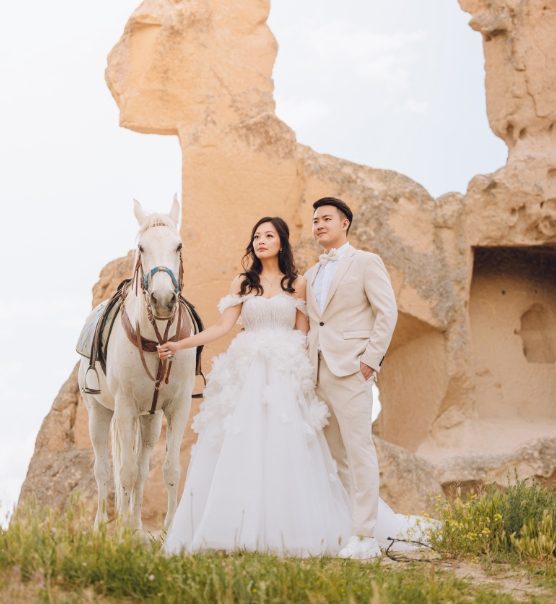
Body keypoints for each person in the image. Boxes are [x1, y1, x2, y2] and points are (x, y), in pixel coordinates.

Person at [157, 215, 407, 557]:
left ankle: (302, 532)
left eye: (268, 235)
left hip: (286, 374)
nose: (261, 241)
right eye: (256, 235)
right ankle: (229, 530)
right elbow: (221, 327)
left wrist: (313, 375)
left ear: (281, 242)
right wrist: (181, 344)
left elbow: (305, 332)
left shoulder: (298, 284)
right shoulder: (242, 283)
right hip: (247, 373)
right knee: (240, 446)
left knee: (288, 448)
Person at [304, 197, 397, 559]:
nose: (319, 225)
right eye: (314, 221)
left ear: (345, 223)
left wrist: (370, 361)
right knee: (332, 456)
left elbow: (386, 312)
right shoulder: (311, 274)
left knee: (359, 451)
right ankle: (347, 527)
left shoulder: (366, 262)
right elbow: (315, 323)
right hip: (317, 374)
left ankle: (366, 537)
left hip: (352, 370)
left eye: (326, 218)